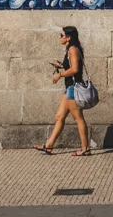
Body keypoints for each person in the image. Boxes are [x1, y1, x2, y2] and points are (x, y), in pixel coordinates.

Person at [34, 26, 91, 156]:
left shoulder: (72, 49)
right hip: (69, 88)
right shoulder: (70, 49)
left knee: (78, 118)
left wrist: (59, 75)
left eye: (61, 35)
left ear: (68, 38)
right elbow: (71, 66)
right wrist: (62, 65)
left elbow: (75, 69)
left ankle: (85, 148)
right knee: (59, 117)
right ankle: (48, 146)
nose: (59, 38)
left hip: (73, 88)